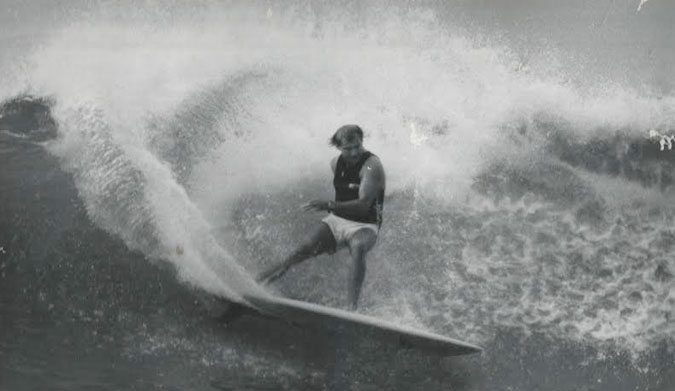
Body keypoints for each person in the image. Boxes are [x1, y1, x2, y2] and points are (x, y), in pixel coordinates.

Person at [257, 124, 386, 310]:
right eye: (348, 149)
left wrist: (328, 205)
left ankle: (351, 309)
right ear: (339, 147)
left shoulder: (372, 165)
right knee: (299, 252)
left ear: (362, 142)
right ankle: (257, 283)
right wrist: (333, 210)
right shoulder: (335, 163)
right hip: (337, 221)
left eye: (357, 146)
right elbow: (345, 191)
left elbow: (363, 205)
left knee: (358, 248)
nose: (354, 152)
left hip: (365, 225)